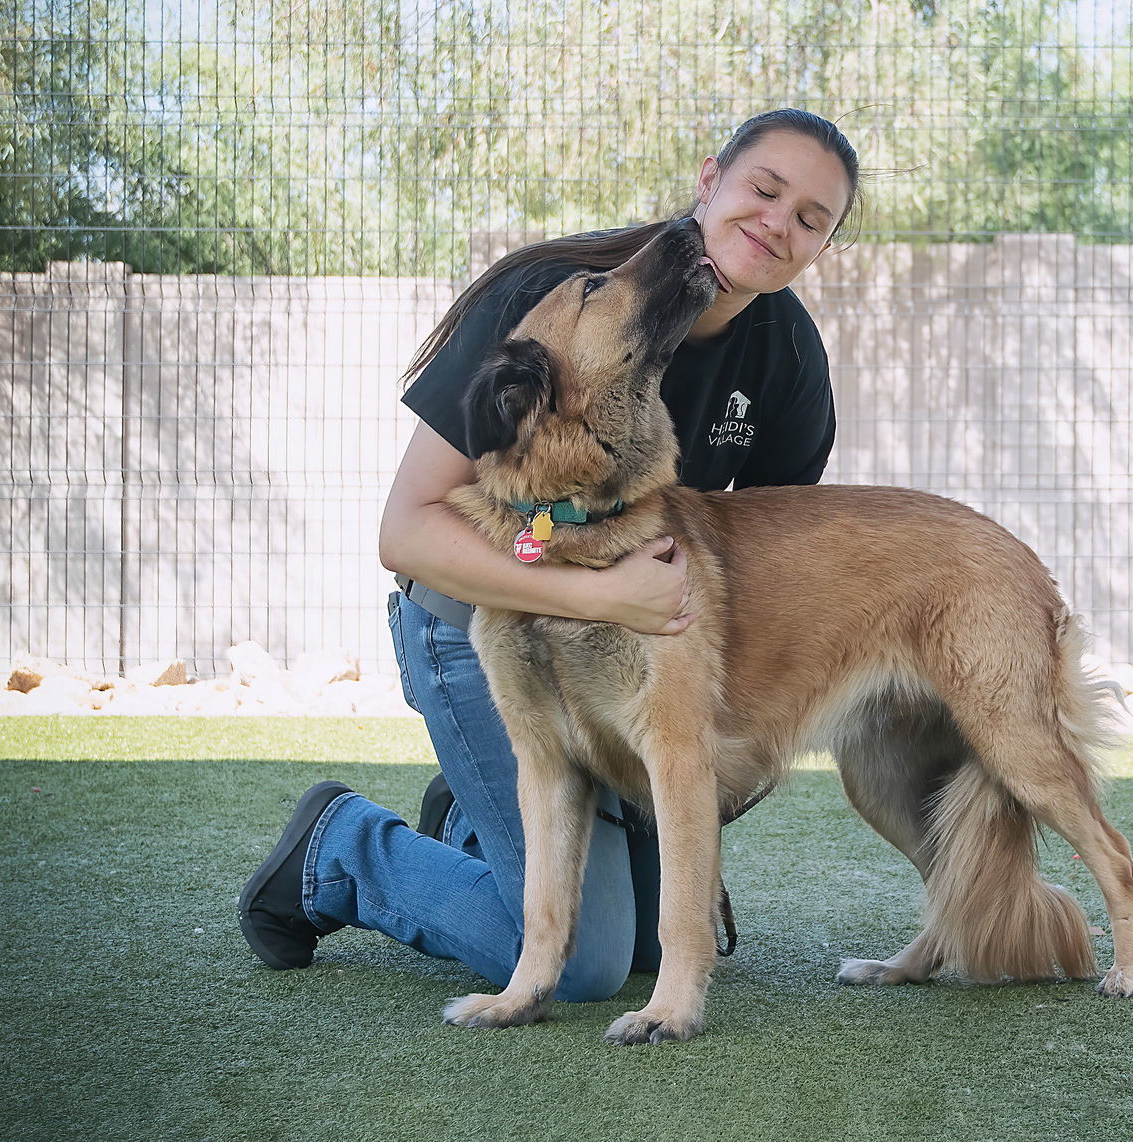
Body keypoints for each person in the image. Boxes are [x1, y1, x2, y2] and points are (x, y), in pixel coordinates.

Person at [238, 108, 861, 1002]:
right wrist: (604, 600)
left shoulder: (788, 356)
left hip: (628, 645)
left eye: (812, 218)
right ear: (710, 178)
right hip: (479, 620)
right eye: (765, 190)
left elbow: (760, 550)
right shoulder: (554, 299)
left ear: (823, 245)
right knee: (589, 964)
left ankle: (477, 828)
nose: (779, 223)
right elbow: (405, 532)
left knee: (656, 946)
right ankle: (339, 850)